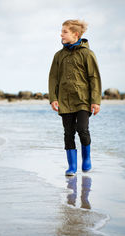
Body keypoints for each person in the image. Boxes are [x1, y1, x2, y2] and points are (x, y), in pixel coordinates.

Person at [48, 19, 101, 176]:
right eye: (62, 31)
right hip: (65, 101)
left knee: (82, 130)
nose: (61, 34)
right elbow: (53, 78)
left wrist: (95, 101)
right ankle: (72, 166)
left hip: (83, 100)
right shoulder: (58, 56)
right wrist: (53, 98)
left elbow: (94, 78)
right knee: (68, 132)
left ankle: (87, 159)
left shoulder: (87, 54)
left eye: (65, 31)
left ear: (75, 34)